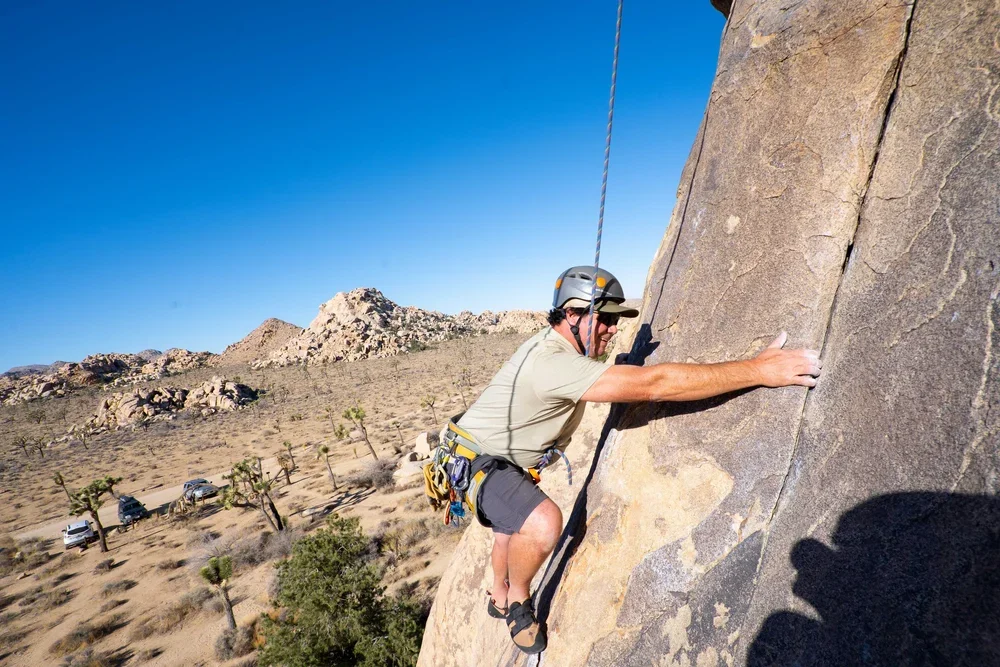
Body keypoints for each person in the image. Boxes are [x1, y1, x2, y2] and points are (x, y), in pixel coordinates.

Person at [449, 266, 823, 654]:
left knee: (507, 519)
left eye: (615, 320)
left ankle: (497, 589)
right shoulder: (553, 363)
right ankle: (516, 600)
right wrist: (756, 370)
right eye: (606, 318)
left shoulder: (558, 347)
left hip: (490, 454)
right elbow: (653, 385)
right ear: (573, 314)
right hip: (480, 460)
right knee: (540, 523)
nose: (612, 329)